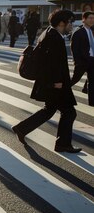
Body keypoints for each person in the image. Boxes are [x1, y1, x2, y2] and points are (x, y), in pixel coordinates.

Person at [12, 10, 81, 153]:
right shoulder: (55, 38)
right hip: (56, 84)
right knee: (68, 112)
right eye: (70, 22)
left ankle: (22, 128)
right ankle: (62, 144)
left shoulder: (48, 33)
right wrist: (54, 83)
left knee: (50, 110)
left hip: (54, 83)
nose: (71, 25)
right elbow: (50, 64)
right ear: (62, 23)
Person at [70, 11, 94, 106]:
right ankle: (60, 91)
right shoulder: (78, 32)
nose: (92, 20)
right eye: (90, 18)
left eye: (93, 18)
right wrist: (77, 62)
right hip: (83, 61)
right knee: (75, 79)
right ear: (84, 19)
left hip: (92, 59)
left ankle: (92, 102)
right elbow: (74, 49)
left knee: (92, 81)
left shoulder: (92, 31)